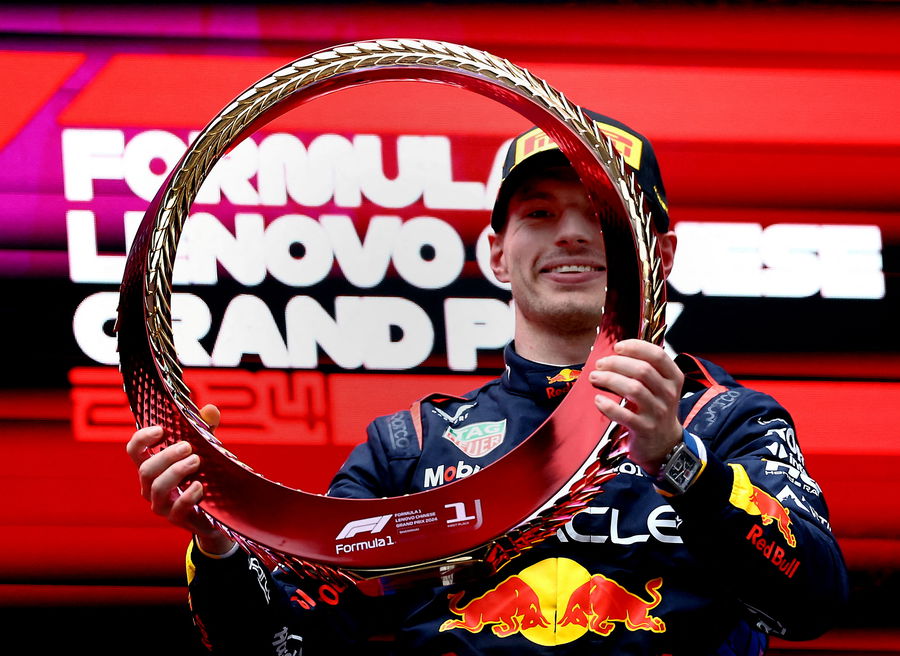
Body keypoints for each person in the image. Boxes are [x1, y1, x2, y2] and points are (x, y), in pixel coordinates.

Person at [127, 109, 848, 655]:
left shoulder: (728, 421)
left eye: (603, 213)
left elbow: (810, 605)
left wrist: (678, 462)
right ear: (499, 254)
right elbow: (285, 643)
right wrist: (221, 541)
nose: (572, 233)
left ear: (659, 252)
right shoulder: (409, 446)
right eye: (540, 213)